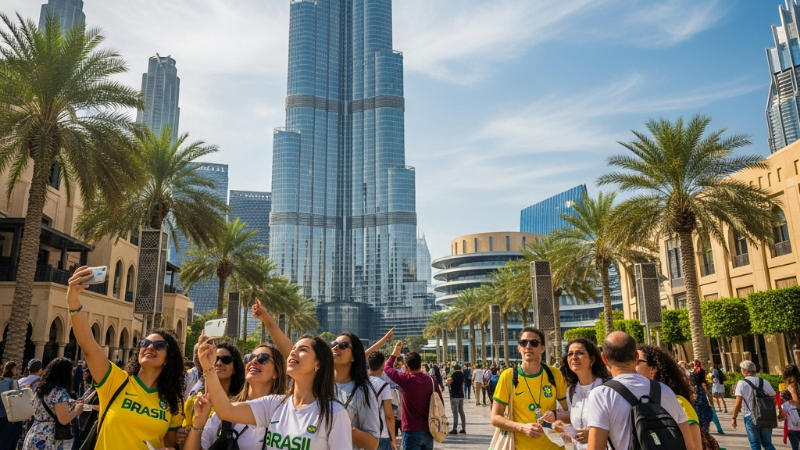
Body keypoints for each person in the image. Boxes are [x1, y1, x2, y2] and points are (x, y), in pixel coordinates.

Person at [66, 266, 185, 450]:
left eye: (160, 346)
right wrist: (73, 302)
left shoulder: (172, 401)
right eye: (145, 343)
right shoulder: (116, 381)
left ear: (169, 358)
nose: (150, 347)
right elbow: (89, 346)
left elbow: (168, 444)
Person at [195, 332, 352, 450]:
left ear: (318, 363)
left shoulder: (334, 413)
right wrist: (208, 367)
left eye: (302, 349)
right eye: (293, 348)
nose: (293, 352)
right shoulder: (274, 404)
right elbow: (226, 411)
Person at [585, 331, 693, 450]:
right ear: (636, 357)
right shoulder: (665, 390)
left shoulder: (601, 394)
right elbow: (689, 446)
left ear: (604, 359)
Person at [184, 343, 288, 450]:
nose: (253, 361)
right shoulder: (225, 409)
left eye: (263, 358)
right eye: (250, 357)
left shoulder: (284, 412)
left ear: (277, 372)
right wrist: (199, 422)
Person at [489, 327, 566, 450]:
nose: (528, 346)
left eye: (534, 343)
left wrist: (555, 415)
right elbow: (495, 418)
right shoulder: (508, 376)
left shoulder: (554, 374)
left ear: (542, 348)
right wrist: (522, 427)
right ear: (519, 348)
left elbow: (570, 413)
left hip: (554, 446)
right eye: (523, 343)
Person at [636, 345, 703, 450]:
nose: (630, 366)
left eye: (637, 362)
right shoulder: (637, 400)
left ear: (653, 368)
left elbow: (694, 447)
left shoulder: (679, 402)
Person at [554, 337, 611, 450]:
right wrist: (564, 428)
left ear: (592, 360)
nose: (574, 357)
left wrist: (592, 435)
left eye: (580, 353)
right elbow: (577, 423)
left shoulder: (607, 387)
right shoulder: (571, 391)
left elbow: (621, 427)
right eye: (570, 354)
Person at [181, 342, 246, 440]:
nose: (219, 363)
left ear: (235, 369)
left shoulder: (242, 403)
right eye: (215, 359)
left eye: (226, 360)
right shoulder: (194, 403)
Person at [385, 341, 442, 450]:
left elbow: (387, 368)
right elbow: (440, 402)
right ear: (421, 364)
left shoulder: (405, 380)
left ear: (406, 366)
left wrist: (394, 354)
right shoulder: (431, 380)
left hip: (411, 430)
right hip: (429, 429)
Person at [330, 333, 381, 450]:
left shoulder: (363, 391)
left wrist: (344, 423)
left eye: (343, 345)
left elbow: (372, 443)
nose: (335, 347)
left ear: (354, 356)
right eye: (333, 344)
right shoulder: (319, 384)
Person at [22, 358, 83, 450]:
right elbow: (64, 419)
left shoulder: (41, 388)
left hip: (34, 433)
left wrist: (70, 403)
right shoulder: (60, 392)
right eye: (71, 371)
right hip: (48, 438)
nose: (72, 374)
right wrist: (76, 410)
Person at [732, 360, 778, 450]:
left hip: (750, 416)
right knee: (767, 443)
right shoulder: (765, 382)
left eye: (741, 369)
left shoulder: (742, 383)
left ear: (745, 371)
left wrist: (734, 417)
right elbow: (774, 398)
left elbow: (738, 402)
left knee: (755, 444)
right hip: (767, 416)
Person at [367, 352, 396, 450]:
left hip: (363, 433)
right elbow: (389, 415)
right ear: (383, 365)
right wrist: (393, 438)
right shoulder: (384, 385)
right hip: (381, 434)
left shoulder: (360, 383)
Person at [0, 362, 23, 449]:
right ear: (13, 369)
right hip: (11, 418)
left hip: (1, 415)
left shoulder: (1, 383)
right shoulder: (14, 383)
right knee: (9, 443)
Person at [690, 360, 715, 432]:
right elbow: (709, 396)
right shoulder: (703, 385)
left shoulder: (694, 388)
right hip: (705, 410)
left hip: (698, 412)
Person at [445, 364, 465, 434]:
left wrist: (446, 380)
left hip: (454, 395)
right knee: (461, 411)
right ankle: (463, 428)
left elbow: (447, 383)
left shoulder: (453, 375)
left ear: (454, 368)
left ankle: (455, 428)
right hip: (461, 395)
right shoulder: (462, 374)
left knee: (455, 412)